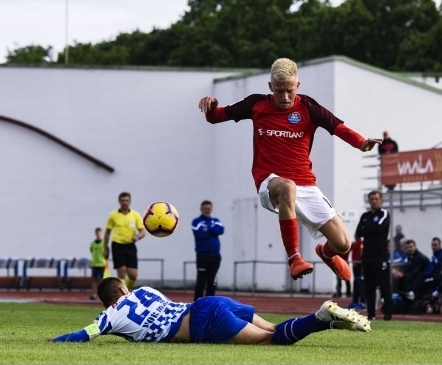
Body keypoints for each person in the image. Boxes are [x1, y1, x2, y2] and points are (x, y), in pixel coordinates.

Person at [198, 58, 381, 283]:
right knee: (287, 186)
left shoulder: (308, 107)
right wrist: (212, 106)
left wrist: (361, 142)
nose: (284, 97)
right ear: (270, 87)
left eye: (289, 91)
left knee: (343, 243)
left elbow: (337, 127)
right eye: (279, 91)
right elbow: (216, 117)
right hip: (270, 180)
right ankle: (294, 258)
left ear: (297, 86)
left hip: (306, 183)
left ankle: (325, 253)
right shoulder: (256, 105)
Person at [49, 277, 371, 344]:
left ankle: (319, 318)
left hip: (203, 323)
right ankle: (327, 321)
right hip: (210, 302)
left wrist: (55, 342)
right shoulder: (145, 291)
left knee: (269, 343)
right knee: (273, 329)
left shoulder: (109, 316)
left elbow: (83, 334)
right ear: (122, 288)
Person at [355, 190, 393, 321]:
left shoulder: (384, 213)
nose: (374, 201)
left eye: (376, 199)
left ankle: (387, 314)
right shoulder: (365, 215)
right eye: (372, 199)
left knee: (384, 285)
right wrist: (370, 228)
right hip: (367, 256)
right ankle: (371, 314)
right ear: (369, 200)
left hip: (380, 256)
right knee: (369, 286)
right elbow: (359, 231)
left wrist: (368, 229)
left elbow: (379, 228)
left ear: (381, 200)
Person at [104, 192, 145, 291]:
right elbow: (107, 233)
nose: (124, 202)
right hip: (117, 245)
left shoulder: (135, 215)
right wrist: (105, 248)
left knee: (133, 275)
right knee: (121, 271)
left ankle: (128, 290)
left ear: (130, 201)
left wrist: (137, 237)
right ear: (119, 202)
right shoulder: (113, 215)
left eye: (126, 200)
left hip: (130, 246)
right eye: (122, 201)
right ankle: (123, 295)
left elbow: (142, 231)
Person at [191, 200, 224, 300]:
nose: (207, 210)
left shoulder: (216, 220)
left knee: (212, 281)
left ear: (211, 209)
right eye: (205, 209)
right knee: (201, 281)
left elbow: (221, 230)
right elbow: (200, 234)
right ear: (201, 209)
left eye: (209, 209)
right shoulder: (196, 222)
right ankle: (197, 303)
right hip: (202, 256)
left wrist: (208, 228)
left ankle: (209, 303)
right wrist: (213, 230)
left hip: (215, 256)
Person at [346, 236, 366, 310]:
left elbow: (361, 253)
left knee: (361, 282)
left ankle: (362, 302)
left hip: (359, 265)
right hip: (356, 264)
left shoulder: (360, 243)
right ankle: (355, 301)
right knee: (356, 282)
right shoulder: (356, 243)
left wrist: (358, 261)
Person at [89, 227, 106, 300]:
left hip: (101, 263)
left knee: (101, 280)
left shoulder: (104, 243)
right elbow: (91, 250)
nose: (98, 234)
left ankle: (101, 294)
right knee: (93, 280)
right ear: (95, 233)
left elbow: (106, 253)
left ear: (101, 233)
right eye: (97, 233)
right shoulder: (92, 243)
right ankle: (94, 294)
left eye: (99, 232)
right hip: (94, 264)